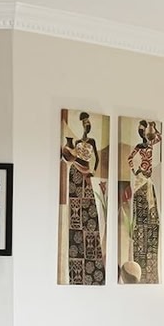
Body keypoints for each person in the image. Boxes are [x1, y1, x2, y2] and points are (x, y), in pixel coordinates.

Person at [61, 112, 105, 285]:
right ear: (82, 124)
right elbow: (69, 156)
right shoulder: (77, 142)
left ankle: (92, 264)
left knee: (89, 211)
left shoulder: (92, 141)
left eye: (88, 121)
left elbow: (97, 158)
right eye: (85, 122)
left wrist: (93, 171)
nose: (87, 124)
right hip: (75, 173)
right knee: (76, 212)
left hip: (86, 174)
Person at [122, 119, 161, 283]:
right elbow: (130, 159)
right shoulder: (139, 147)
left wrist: (154, 126)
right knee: (140, 218)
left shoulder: (151, 144)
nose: (143, 132)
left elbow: (160, 137)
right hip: (140, 181)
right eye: (141, 130)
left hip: (148, 181)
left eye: (144, 129)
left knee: (152, 218)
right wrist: (136, 170)